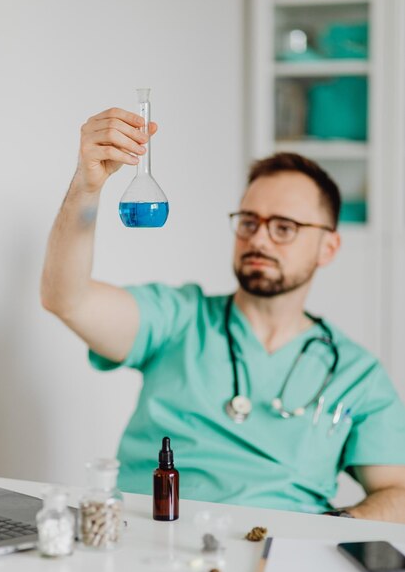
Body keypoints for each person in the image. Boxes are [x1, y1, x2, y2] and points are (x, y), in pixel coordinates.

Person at [41, 107, 405, 522]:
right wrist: (87, 188)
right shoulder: (180, 318)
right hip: (150, 541)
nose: (259, 239)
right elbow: (66, 299)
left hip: (278, 560)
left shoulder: (356, 374)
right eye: (249, 222)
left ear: (329, 247)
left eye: (283, 227)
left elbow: (397, 492)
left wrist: (322, 535)